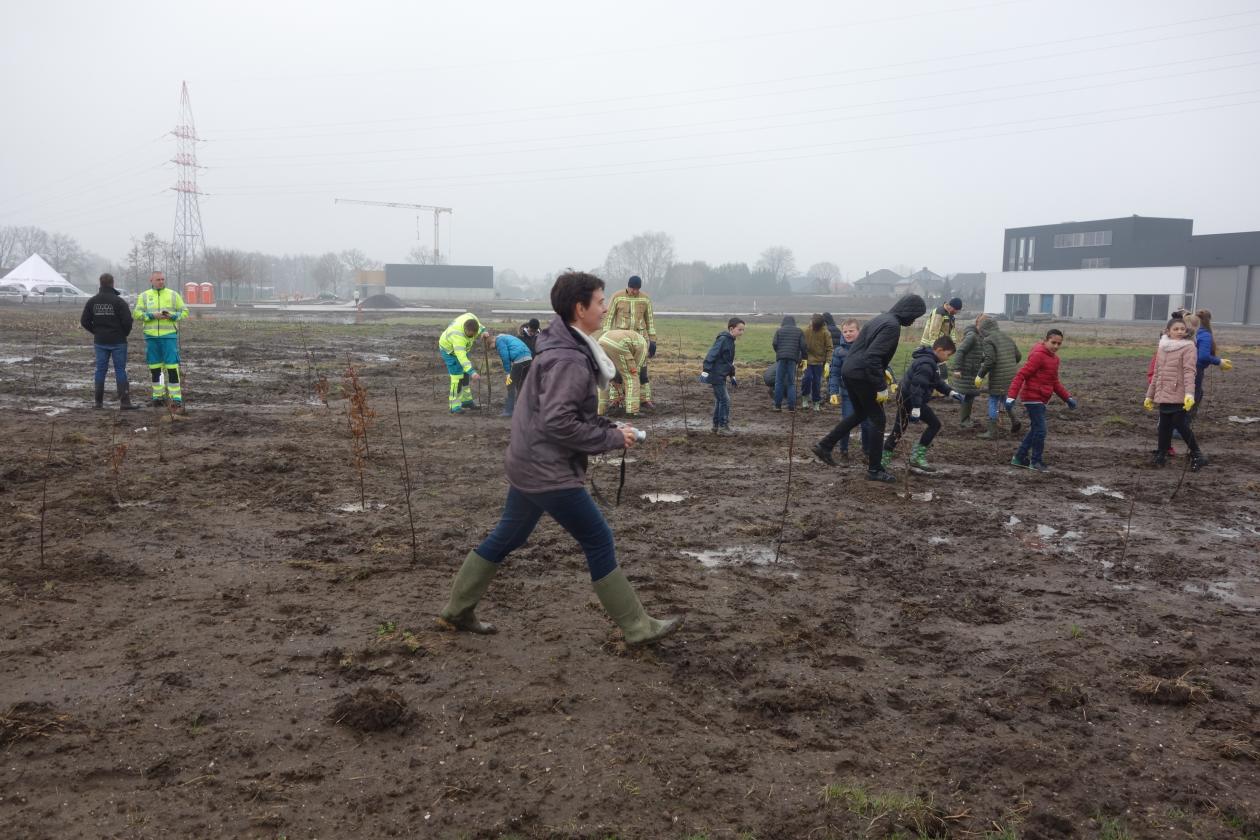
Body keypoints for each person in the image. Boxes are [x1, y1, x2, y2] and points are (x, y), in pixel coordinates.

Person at [437, 271, 682, 647]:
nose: (605, 308)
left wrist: (609, 425)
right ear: (579, 308)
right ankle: (637, 627)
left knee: (508, 535)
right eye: (600, 302)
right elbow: (558, 422)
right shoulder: (570, 359)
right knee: (598, 538)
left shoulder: (559, 345)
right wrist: (612, 438)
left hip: (528, 461)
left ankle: (456, 610)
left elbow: (562, 413)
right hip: (546, 469)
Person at [812, 295, 927, 481]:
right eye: (914, 316)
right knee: (878, 418)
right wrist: (881, 386)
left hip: (849, 371)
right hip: (862, 374)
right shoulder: (891, 326)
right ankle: (874, 470)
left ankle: (825, 445)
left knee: (860, 413)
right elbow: (873, 357)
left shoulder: (880, 319)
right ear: (908, 311)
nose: (913, 321)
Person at [880, 336, 963, 473]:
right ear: (939, 350)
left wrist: (951, 392)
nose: (948, 358)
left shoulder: (930, 361)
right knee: (934, 424)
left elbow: (936, 382)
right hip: (911, 399)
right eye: (948, 355)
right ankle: (916, 457)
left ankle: (883, 461)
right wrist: (917, 408)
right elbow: (917, 387)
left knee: (899, 429)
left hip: (905, 397)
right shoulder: (927, 364)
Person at [1006, 328, 1077, 471]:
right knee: (1041, 430)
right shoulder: (1038, 355)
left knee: (1035, 430)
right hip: (1032, 398)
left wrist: (1067, 397)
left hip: (1042, 398)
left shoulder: (1055, 360)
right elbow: (1021, 375)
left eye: (1059, 344)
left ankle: (1019, 457)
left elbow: (1054, 382)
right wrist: (1011, 396)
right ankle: (1035, 461)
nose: (1056, 346)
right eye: (1053, 343)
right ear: (1046, 341)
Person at [1145, 317, 1207, 471]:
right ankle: (1161, 454)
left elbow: (1189, 372)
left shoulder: (1189, 347)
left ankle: (1198, 455)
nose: (1180, 332)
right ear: (1168, 331)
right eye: (1176, 329)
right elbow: (1157, 372)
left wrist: (1189, 394)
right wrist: (1149, 395)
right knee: (1164, 426)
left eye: (1182, 329)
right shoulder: (1162, 347)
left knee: (1180, 424)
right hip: (1163, 392)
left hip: (1180, 393)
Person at [80, 272, 141, 411]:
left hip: (100, 341)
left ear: (100, 284)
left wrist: (97, 332)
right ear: (113, 283)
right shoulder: (119, 302)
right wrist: (123, 334)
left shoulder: (92, 301)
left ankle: (98, 403)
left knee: (100, 370)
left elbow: (84, 321)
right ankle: (125, 403)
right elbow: (127, 321)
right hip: (118, 341)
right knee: (120, 370)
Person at [132, 271, 189, 411]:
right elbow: (136, 314)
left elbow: (185, 312)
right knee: (154, 367)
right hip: (151, 337)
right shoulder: (144, 296)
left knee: (172, 367)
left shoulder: (173, 294)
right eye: (158, 279)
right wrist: (152, 315)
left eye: (163, 279)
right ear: (151, 280)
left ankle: (176, 398)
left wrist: (173, 316)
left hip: (169, 336)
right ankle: (158, 396)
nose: (161, 281)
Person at [602, 275, 658, 408]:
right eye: (633, 288)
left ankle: (645, 399)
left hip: (640, 341)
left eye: (638, 289)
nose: (635, 291)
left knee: (641, 370)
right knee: (617, 369)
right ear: (628, 286)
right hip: (620, 341)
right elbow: (608, 319)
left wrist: (653, 341)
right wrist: (605, 338)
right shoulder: (617, 297)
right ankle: (615, 399)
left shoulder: (645, 299)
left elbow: (649, 321)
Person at [826, 318, 876, 458]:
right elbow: (834, 373)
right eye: (845, 331)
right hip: (848, 393)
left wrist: (890, 380)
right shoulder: (838, 351)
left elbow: (879, 365)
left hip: (865, 393)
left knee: (866, 424)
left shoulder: (867, 348)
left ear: (858, 332)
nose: (848, 334)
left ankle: (867, 450)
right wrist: (833, 391)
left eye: (851, 331)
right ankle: (844, 450)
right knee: (847, 421)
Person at [973, 316, 1023, 439]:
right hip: (1011, 374)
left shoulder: (988, 340)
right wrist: (1008, 363)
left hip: (998, 376)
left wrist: (980, 375)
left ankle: (992, 431)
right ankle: (1015, 420)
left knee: (993, 400)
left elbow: (990, 360)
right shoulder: (1007, 337)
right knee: (1006, 398)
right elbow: (1018, 356)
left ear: (984, 329)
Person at [700, 317, 745, 434]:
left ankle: (716, 426)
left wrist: (732, 375)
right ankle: (723, 427)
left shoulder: (731, 341)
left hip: (721, 374)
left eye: (743, 330)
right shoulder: (723, 340)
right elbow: (711, 354)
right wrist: (705, 371)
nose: (742, 332)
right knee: (725, 400)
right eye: (740, 330)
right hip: (716, 375)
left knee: (720, 400)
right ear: (731, 328)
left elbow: (728, 361)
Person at [1190, 308, 1233, 424]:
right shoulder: (1205, 335)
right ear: (1209, 320)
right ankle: (1181, 426)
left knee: (1194, 393)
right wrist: (1219, 362)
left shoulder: (1196, 333)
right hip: (1195, 368)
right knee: (1194, 394)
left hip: (1190, 367)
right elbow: (1203, 356)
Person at [438, 312, 486, 413]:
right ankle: (454, 406)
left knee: (465, 376)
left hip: (463, 350)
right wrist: (472, 372)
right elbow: (462, 357)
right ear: (466, 329)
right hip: (449, 351)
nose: (472, 336)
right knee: (457, 378)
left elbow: (479, 326)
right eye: (470, 335)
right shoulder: (458, 337)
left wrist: (484, 332)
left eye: (474, 335)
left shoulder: (472, 319)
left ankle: (466, 401)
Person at [597, 329, 649, 418]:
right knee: (631, 377)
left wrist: (620, 390)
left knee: (604, 376)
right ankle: (632, 411)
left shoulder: (634, 337)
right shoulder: (643, 346)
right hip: (619, 344)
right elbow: (636, 371)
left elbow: (615, 373)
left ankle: (600, 410)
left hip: (601, 341)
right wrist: (625, 393)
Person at [950, 314, 985, 429]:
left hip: (973, 372)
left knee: (970, 396)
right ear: (977, 324)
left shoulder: (980, 337)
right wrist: (957, 369)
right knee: (968, 396)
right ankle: (964, 421)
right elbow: (960, 351)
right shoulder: (972, 336)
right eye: (983, 325)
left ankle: (966, 419)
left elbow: (976, 354)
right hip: (966, 372)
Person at [771, 315, 806, 411]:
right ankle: (791, 407)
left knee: (779, 382)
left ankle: (777, 406)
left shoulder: (779, 331)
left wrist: (779, 352)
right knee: (791, 383)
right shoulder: (799, 331)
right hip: (793, 359)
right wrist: (803, 359)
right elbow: (803, 346)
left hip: (781, 358)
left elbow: (774, 343)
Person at [495, 331, 533, 418]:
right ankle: (523, 409)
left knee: (510, 384)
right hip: (528, 358)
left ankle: (509, 411)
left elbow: (505, 356)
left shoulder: (499, 340)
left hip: (520, 360)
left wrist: (508, 372)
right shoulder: (507, 337)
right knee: (521, 385)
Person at [800, 314, 833, 411]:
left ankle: (816, 402)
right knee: (807, 378)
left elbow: (829, 348)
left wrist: (828, 363)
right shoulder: (806, 331)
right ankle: (805, 399)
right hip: (807, 360)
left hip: (819, 362)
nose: (811, 325)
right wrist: (801, 359)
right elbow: (801, 345)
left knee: (816, 383)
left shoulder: (826, 333)